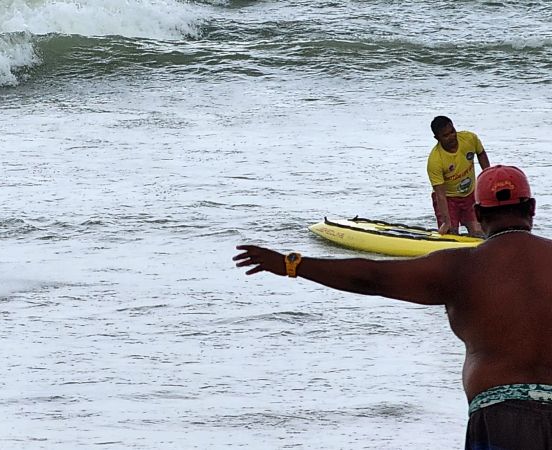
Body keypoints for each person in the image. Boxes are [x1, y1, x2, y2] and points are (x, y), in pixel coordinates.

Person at [234, 165, 552, 449]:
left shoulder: (461, 268)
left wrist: (294, 264)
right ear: (532, 208)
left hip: (499, 418)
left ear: (478, 215)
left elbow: (371, 278)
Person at [427, 115, 490, 235]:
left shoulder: (469, 139)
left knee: (479, 231)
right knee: (451, 232)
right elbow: (440, 194)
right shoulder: (435, 160)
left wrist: (488, 176)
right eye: (445, 135)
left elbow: (481, 153)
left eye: (452, 132)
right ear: (437, 138)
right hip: (448, 198)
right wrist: (446, 222)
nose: (451, 137)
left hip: (470, 195)